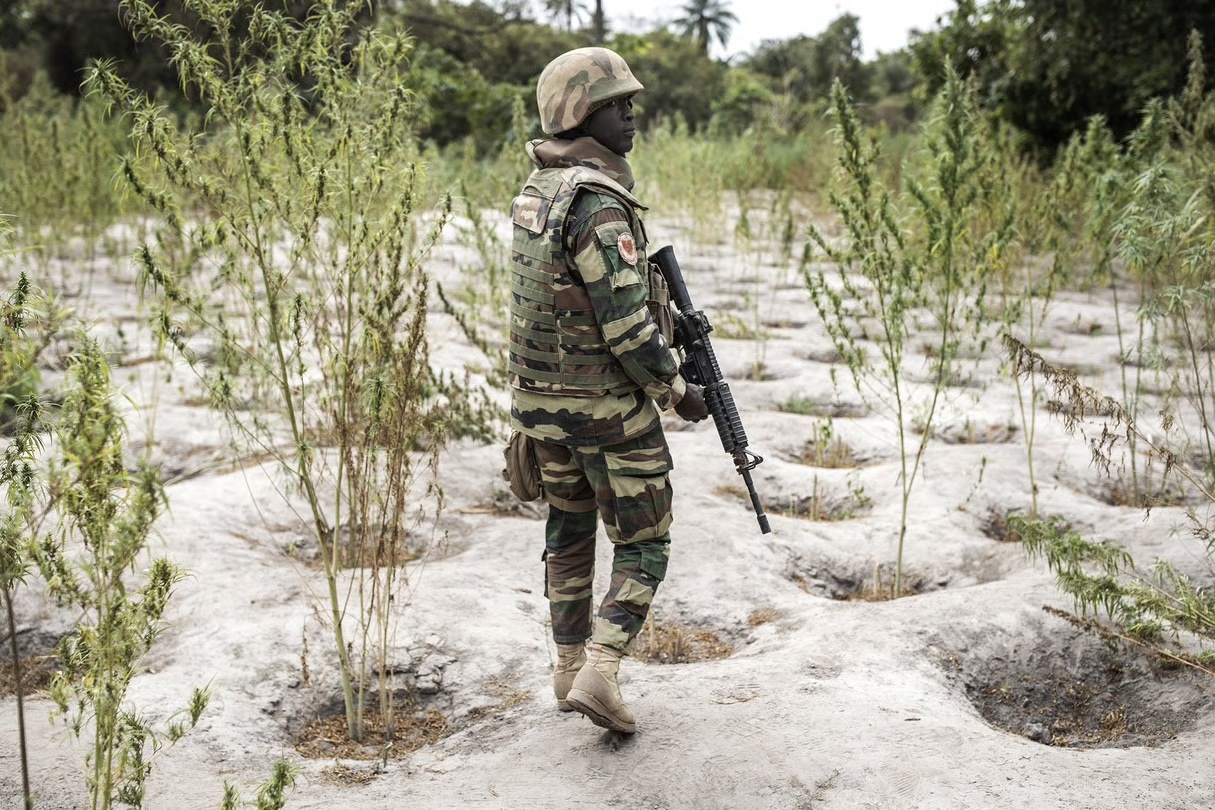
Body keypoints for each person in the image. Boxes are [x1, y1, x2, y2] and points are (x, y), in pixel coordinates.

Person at [507, 46, 708, 734]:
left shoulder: (537, 193)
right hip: (604, 410)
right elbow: (626, 330)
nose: (631, 116)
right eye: (618, 105)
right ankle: (601, 667)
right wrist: (677, 392)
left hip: (542, 407)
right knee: (644, 541)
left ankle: (567, 670)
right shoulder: (597, 204)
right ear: (582, 112)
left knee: (567, 532)